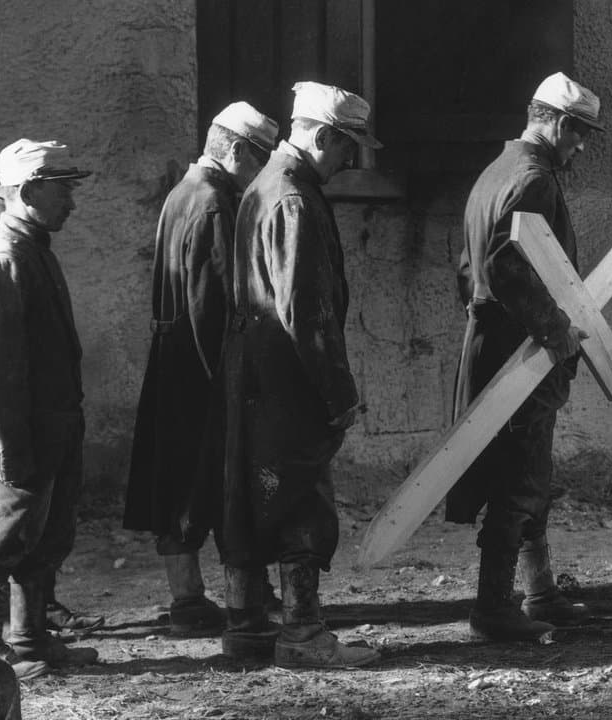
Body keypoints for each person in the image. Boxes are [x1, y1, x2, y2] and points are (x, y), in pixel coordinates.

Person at [219, 81, 381, 668]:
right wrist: (338, 395)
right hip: (289, 383)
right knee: (301, 504)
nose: (350, 160)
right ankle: (303, 635)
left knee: (248, 498)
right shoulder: (295, 201)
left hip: (253, 377)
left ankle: (246, 628)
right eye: (346, 146)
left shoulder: (263, 186)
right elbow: (306, 313)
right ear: (321, 137)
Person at [448, 72, 598, 642]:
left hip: (496, 340)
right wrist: (554, 330)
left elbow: (468, 269)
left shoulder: (497, 171)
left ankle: (539, 591)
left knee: (527, 469)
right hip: (521, 349)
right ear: (554, 122)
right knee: (519, 475)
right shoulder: (534, 179)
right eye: (578, 132)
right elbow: (504, 265)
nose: (581, 146)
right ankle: (493, 608)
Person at [123, 102, 279, 637]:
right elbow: (216, 308)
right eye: (258, 159)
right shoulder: (215, 204)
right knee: (208, 484)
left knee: (176, 481)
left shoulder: (181, 194)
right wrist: (240, 382)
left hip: (174, 363)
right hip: (203, 372)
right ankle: (210, 601)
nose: (262, 173)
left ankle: (187, 595)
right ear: (235, 150)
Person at [0, 139, 100, 675]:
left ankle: (30, 640)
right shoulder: (5, 260)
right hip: (14, 432)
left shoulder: (32, 249)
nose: (71, 204)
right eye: (63, 192)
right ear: (30, 191)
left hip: (46, 428)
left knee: (41, 538)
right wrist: (8, 451)